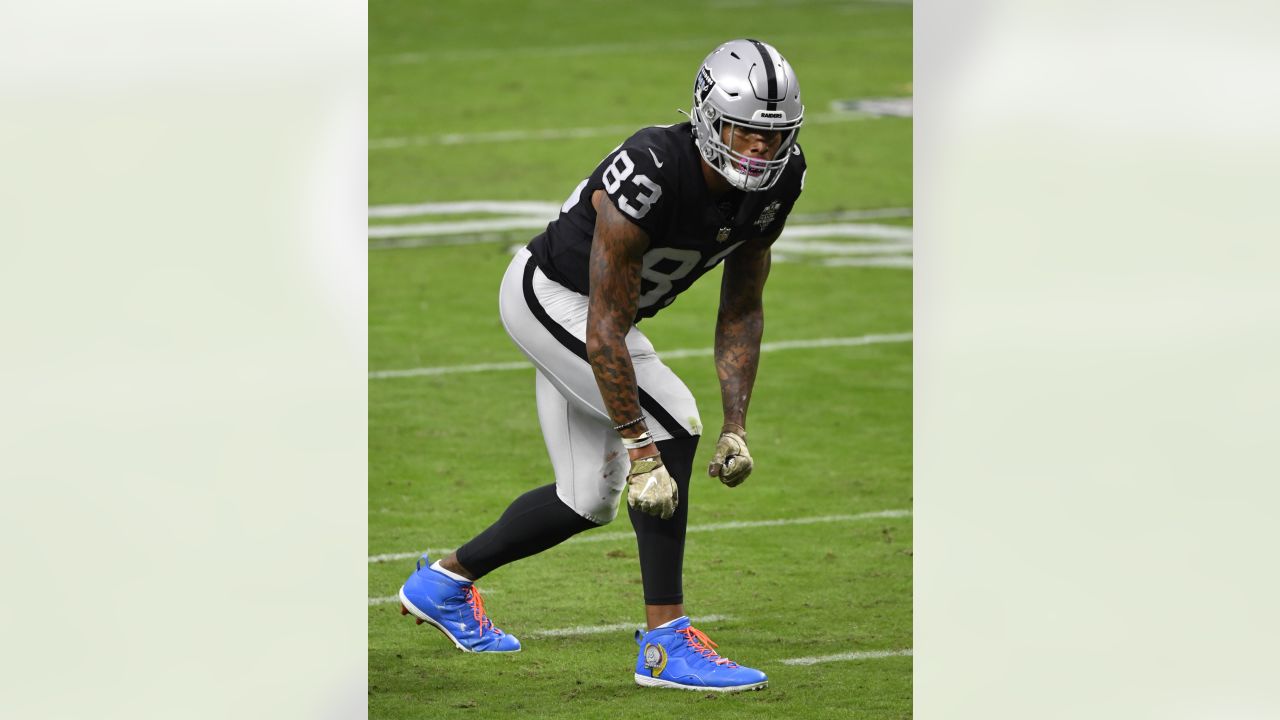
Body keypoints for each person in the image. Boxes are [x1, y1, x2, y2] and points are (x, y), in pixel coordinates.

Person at [398, 38, 806, 693]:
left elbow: (742, 308)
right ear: (707, 116)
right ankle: (665, 644)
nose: (759, 150)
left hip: (601, 318)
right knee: (671, 421)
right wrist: (643, 448)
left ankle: (444, 581)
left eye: (773, 135)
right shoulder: (651, 169)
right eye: (744, 131)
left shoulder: (781, 182)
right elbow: (605, 324)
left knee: (587, 498)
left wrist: (739, 424)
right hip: (553, 297)